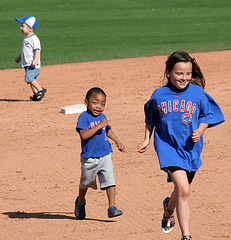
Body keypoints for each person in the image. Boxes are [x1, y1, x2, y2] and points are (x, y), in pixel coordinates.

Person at [137, 51, 225, 240]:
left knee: (181, 190)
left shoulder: (198, 93)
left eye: (188, 74)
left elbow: (208, 115)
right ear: (168, 72)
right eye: (179, 73)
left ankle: (169, 208)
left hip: (190, 149)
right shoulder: (159, 95)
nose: (184, 78)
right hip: (167, 147)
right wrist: (147, 138)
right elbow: (150, 117)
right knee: (184, 189)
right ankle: (186, 236)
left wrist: (200, 130)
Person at [75, 87, 125, 220]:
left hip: (105, 154)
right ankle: (80, 201)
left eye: (103, 104)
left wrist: (117, 141)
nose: (99, 107)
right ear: (86, 102)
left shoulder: (102, 117)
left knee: (110, 180)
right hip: (89, 158)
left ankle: (112, 207)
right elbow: (84, 135)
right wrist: (98, 126)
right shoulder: (84, 118)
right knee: (85, 183)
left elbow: (107, 130)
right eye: (95, 103)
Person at [15, 15, 47, 101]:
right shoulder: (26, 39)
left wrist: (35, 60)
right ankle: (36, 95)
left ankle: (41, 90)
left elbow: (37, 50)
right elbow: (24, 52)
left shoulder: (34, 39)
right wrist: (19, 58)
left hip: (33, 65)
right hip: (27, 64)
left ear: (31, 28)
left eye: (23, 26)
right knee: (31, 80)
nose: (21, 28)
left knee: (29, 78)